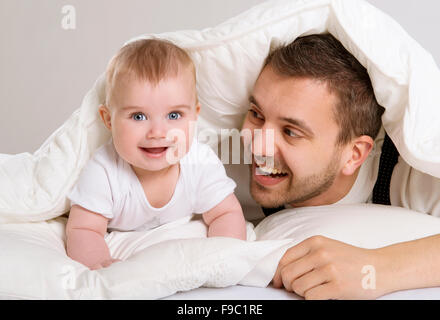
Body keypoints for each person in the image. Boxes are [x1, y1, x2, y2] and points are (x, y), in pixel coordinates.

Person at [242, 33, 440, 299]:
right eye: (256, 115)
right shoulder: (219, 159)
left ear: (354, 154)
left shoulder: (412, 172)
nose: (257, 148)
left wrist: (374, 270)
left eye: (291, 132)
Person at [66, 39, 246, 270]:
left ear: (194, 115)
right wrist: (99, 262)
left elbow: (226, 212)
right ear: (108, 119)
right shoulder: (104, 170)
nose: (158, 133)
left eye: (174, 115)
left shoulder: (199, 162)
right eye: (139, 116)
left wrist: (224, 255)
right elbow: (84, 228)